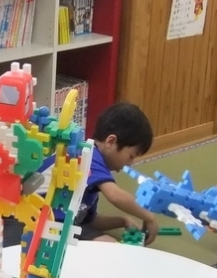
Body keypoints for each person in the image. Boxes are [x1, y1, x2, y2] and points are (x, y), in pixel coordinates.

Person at [36, 102, 159, 244]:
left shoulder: (94, 173)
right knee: (109, 245)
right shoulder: (87, 155)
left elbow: (87, 220)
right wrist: (149, 217)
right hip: (35, 221)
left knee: (107, 242)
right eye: (131, 156)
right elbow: (115, 196)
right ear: (111, 141)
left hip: (61, 224)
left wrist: (123, 220)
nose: (130, 163)